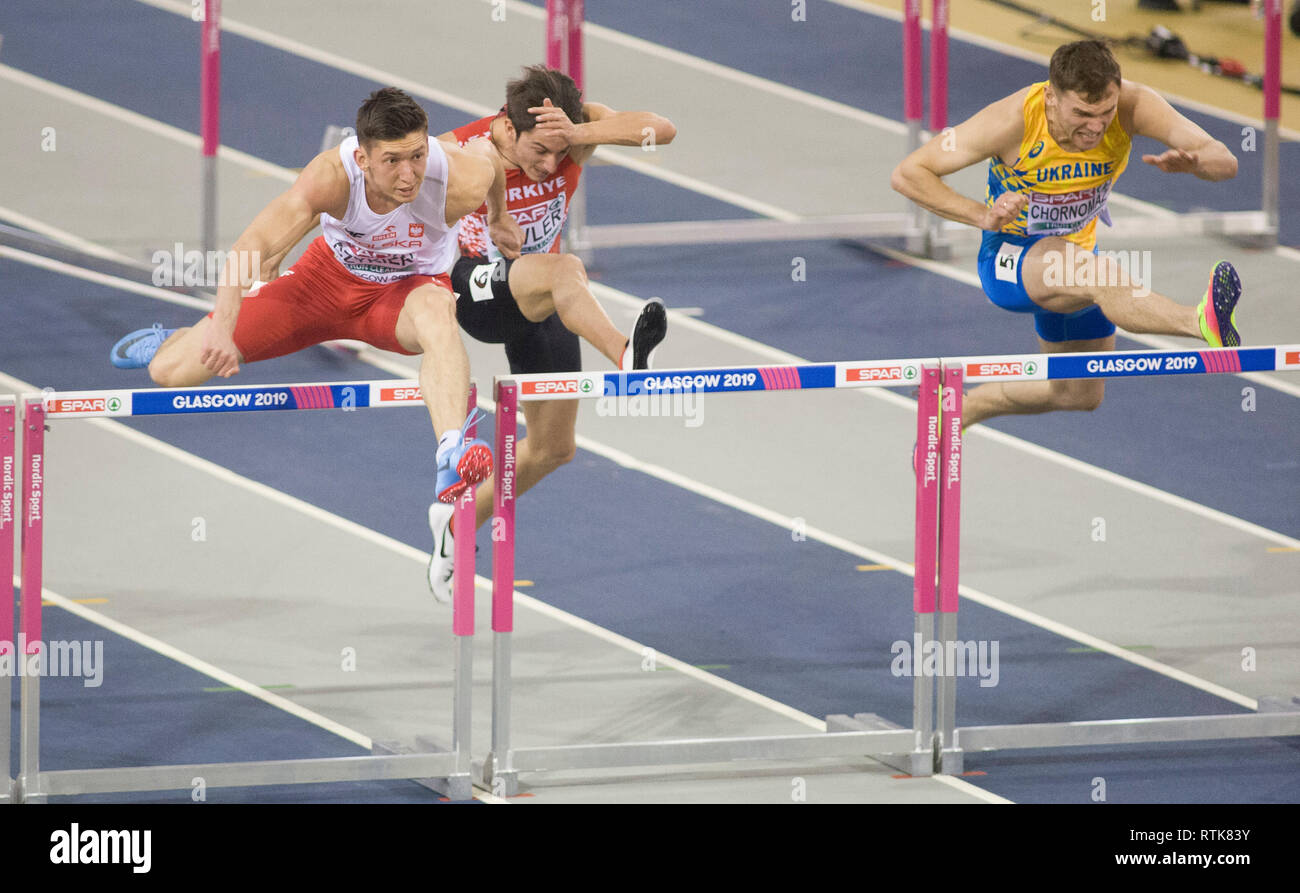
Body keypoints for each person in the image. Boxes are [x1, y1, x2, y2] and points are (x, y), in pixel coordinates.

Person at [111, 86, 511, 505]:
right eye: (392, 161)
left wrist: (499, 219)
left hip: (403, 296)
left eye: (417, 156)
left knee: (439, 312)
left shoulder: (455, 177)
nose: (409, 174)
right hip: (321, 284)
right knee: (170, 373)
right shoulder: (332, 176)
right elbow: (250, 247)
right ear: (363, 158)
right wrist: (223, 329)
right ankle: (177, 339)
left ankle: (450, 452)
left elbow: (490, 159)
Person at [891, 39, 1242, 430]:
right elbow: (909, 173)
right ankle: (1200, 322)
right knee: (1099, 274)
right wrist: (981, 215)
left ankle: (965, 407)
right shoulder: (1011, 119)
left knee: (1077, 395)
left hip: (1074, 263)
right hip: (1011, 259)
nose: (1095, 126)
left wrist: (1197, 163)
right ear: (1052, 98)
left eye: (1105, 112)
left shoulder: (1135, 105)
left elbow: (1223, 161)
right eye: (1083, 113)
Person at [425, 64, 676, 603]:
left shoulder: (570, 142)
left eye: (558, 153)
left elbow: (662, 129)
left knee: (552, 449)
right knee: (565, 270)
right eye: (539, 151)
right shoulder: (461, 149)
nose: (548, 165)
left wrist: (579, 134)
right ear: (508, 129)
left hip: (540, 297)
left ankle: (454, 526)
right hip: (478, 292)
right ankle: (627, 355)